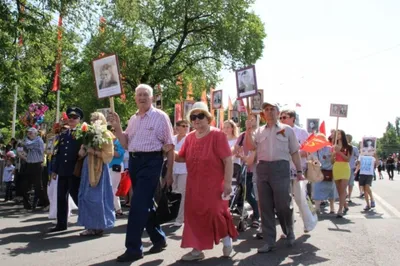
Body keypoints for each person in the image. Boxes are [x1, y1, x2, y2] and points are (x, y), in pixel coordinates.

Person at [108, 84, 174, 263]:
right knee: (144, 203)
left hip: (152, 162)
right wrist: (118, 127)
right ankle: (159, 239)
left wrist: (169, 173)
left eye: (146, 94)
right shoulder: (133, 118)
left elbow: (169, 145)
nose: (142, 98)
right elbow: (126, 143)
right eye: (139, 95)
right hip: (135, 162)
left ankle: (134, 248)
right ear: (135, 99)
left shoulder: (160, 117)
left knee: (137, 205)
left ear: (151, 98)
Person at [174, 102, 238, 261]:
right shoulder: (189, 138)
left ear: (208, 118)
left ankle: (226, 238)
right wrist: (167, 149)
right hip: (194, 185)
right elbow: (181, 157)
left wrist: (228, 183)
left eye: (200, 115)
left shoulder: (217, 135)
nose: (197, 119)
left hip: (214, 185)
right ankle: (197, 250)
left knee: (216, 214)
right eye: (193, 117)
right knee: (194, 216)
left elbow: (228, 160)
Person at [245, 101, 304, 253]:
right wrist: (247, 131)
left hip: (281, 168)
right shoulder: (258, 131)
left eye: (272, 109)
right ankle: (269, 241)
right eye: (267, 110)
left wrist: (299, 171)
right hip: (263, 168)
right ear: (263, 114)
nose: (269, 112)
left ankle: (289, 231)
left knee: (283, 204)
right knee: (265, 206)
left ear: (278, 113)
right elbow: (251, 147)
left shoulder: (287, 130)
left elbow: (295, 152)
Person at [77, 112, 115, 236]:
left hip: (99, 169)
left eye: (96, 118)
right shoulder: (88, 133)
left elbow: (108, 155)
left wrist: (92, 151)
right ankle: (90, 225)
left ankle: (99, 225)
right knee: (86, 196)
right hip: (87, 167)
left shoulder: (106, 134)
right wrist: (83, 149)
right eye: (92, 118)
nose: (94, 121)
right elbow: (81, 153)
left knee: (97, 197)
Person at [280, 109, 317, 233]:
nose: (282, 120)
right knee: (285, 202)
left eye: (284, 117)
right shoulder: (278, 131)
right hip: (282, 170)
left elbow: (309, 151)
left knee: (301, 198)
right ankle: (288, 230)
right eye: (280, 117)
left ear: (292, 118)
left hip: (299, 170)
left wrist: (295, 154)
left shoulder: (301, 132)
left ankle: (310, 220)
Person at [49, 107, 85, 232]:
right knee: (61, 197)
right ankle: (61, 223)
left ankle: (88, 220)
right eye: (70, 117)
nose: (72, 119)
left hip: (75, 171)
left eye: (75, 117)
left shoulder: (83, 134)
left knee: (77, 196)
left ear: (79, 120)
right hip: (63, 170)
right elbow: (58, 153)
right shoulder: (63, 134)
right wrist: (54, 170)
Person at [23, 127, 48, 209]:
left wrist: (25, 141)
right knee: (26, 184)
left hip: (37, 164)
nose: (28, 134)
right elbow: (24, 147)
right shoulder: (30, 140)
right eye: (28, 133)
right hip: (29, 164)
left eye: (30, 133)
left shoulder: (38, 140)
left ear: (35, 133)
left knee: (38, 185)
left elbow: (27, 144)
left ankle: (45, 202)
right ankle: (28, 204)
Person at [171, 120, 189, 227]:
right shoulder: (172, 138)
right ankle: (174, 213)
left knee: (182, 194)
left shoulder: (189, 139)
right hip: (173, 169)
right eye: (183, 126)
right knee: (174, 192)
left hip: (184, 169)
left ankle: (180, 218)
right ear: (177, 127)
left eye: (187, 126)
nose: (186, 127)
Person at [331, 129, 352, 218]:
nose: (338, 135)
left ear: (342, 135)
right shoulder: (333, 146)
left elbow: (348, 159)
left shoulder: (348, 147)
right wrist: (333, 155)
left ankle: (340, 209)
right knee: (339, 190)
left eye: (339, 134)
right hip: (336, 167)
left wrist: (339, 152)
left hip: (345, 168)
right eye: (336, 134)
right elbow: (332, 162)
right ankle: (345, 204)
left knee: (343, 189)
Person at [108, 126, 125, 217]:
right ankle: (114, 208)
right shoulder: (107, 142)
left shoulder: (119, 142)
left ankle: (117, 209)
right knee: (109, 188)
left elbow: (119, 154)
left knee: (113, 188)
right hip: (108, 166)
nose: (111, 132)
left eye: (113, 130)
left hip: (116, 167)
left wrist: (109, 150)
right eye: (110, 130)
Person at [346, 134, 359, 203]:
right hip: (343, 167)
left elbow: (358, 157)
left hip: (351, 167)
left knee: (350, 183)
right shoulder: (342, 147)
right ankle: (345, 195)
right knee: (343, 183)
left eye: (347, 138)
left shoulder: (354, 148)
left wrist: (357, 162)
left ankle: (349, 196)